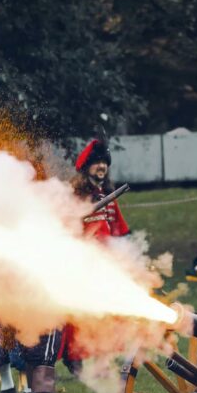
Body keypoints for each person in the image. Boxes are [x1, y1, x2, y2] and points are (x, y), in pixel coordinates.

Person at [62, 135, 132, 378]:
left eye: (104, 162)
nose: (102, 167)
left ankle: (103, 362)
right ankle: (76, 360)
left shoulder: (108, 197)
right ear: (86, 167)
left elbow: (119, 231)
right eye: (96, 162)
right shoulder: (75, 195)